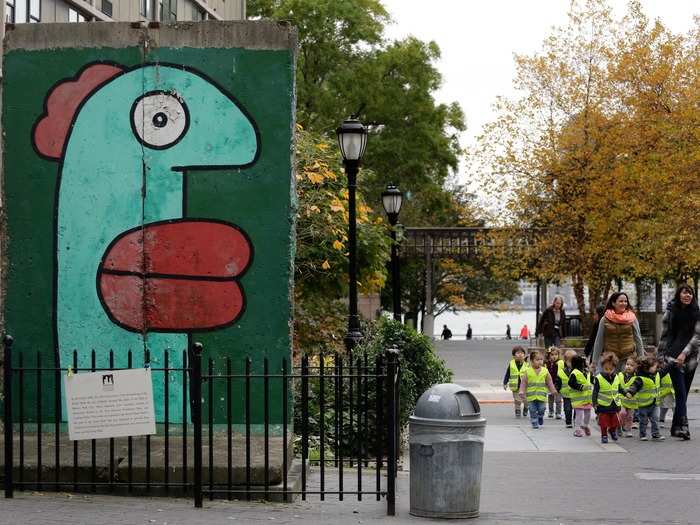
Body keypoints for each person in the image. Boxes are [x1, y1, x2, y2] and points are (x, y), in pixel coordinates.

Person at [657, 284, 699, 440]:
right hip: (672, 357)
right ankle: (683, 426)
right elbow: (664, 334)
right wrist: (660, 356)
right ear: (678, 294)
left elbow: (697, 337)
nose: (687, 296)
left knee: (684, 394)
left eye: (690, 293)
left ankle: (675, 428)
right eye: (684, 292)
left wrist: (684, 353)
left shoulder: (697, 312)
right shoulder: (671, 311)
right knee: (680, 393)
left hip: (691, 359)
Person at [591, 292, 645, 371]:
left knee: (626, 381)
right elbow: (599, 341)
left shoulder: (632, 318)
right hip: (611, 359)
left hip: (628, 358)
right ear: (613, 303)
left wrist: (641, 358)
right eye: (621, 301)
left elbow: (638, 339)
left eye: (625, 301)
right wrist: (594, 362)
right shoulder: (605, 319)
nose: (624, 303)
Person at [624, 356, 666, 441]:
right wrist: (630, 393)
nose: (656, 368)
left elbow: (664, 371)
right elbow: (634, 386)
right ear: (648, 368)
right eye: (654, 366)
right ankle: (642, 434)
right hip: (643, 405)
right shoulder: (640, 378)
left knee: (655, 419)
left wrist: (671, 365)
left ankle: (656, 434)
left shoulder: (656, 374)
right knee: (643, 421)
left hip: (654, 403)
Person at [519, 349, 558, 429]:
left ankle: (540, 416)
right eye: (537, 360)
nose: (540, 361)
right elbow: (523, 382)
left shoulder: (545, 371)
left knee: (542, 408)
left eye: (541, 359)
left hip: (542, 395)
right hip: (531, 396)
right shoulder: (527, 371)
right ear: (532, 361)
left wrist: (553, 390)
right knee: (532, 409)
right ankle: (534, 421)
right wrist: (521, 391)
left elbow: (549, 382)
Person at [593, 352, 622, 444]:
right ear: (602, 367)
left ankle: (612, 430)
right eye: (606, 369)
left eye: (611, 369)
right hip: (603, 405)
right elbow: (595, 392)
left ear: (614, 368)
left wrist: (626, 393)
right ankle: (604, 435)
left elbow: (619, 388)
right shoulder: (599, 378)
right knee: (604, 422)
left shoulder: (617, 377)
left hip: (615, 404)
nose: (608, 370)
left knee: (616, 421)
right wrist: (594, 403)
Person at [568, 354, 593, 437]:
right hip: (578, 400)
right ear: (580, 363)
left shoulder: (587, 372)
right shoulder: (574, 373)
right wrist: (581, 387)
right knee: (579, 415)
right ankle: (577, 429)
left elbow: (591, 380)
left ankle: (585, 425)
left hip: (587, 399)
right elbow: (571, 383)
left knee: (588, 413)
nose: (586, 362)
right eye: (584, 361)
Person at [503, 346, 529, 418]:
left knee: (526, 400)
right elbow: (508, 373)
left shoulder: (527, 364)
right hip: (515, 386)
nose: (520, 354)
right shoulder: (511, 364)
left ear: (524, 355)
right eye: (518, 353)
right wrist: (505, 383)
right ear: (514, 356)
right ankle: (517, 411)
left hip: (525, 386)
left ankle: (526, 408)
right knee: (517, 400)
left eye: (522, 353)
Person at [616, 357, 638, 437]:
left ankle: (628, 430)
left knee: (630, 417)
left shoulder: (637, 377)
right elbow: (617, 385)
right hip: (621, 399)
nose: (628, 366)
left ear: (636, 367)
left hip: (631, 401)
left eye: (631, 365)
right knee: (622, 413)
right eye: (627, 364)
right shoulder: (620, 374)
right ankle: (619, 426)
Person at [558, 349, 577, 428]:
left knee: (577, 409)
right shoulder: (562, 371)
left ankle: (576, 420)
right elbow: (558, 381)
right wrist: (557, 389)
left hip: (577, 394)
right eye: (570, 362)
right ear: (565, 361)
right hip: (566, 395)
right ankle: (568, 421)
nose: (572, 364)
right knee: (567, 409)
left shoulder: (579, 371)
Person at [545, 347, 563, 419]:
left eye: (556, 354)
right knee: (550, 398)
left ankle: (558, 413)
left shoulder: (560, 363)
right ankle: (551, 411)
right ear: (549, 355)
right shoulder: (547, 363)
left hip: (558, 383)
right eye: (552, 354)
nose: (554, 356)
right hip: (550, 383)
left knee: (558, 399)